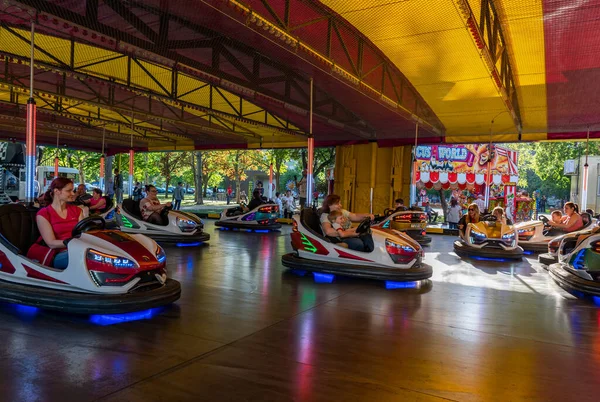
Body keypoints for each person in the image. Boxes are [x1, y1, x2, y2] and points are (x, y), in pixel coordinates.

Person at [29, 177, 83, 269]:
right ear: (57, 191)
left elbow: (83, 234)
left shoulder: (77, 211)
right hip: (57, 253)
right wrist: (72, 243)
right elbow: (51, 243)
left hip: (79, 249)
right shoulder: (44, 214)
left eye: (72, 190)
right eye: (69, 191)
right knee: (83, 258)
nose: (73, 193)